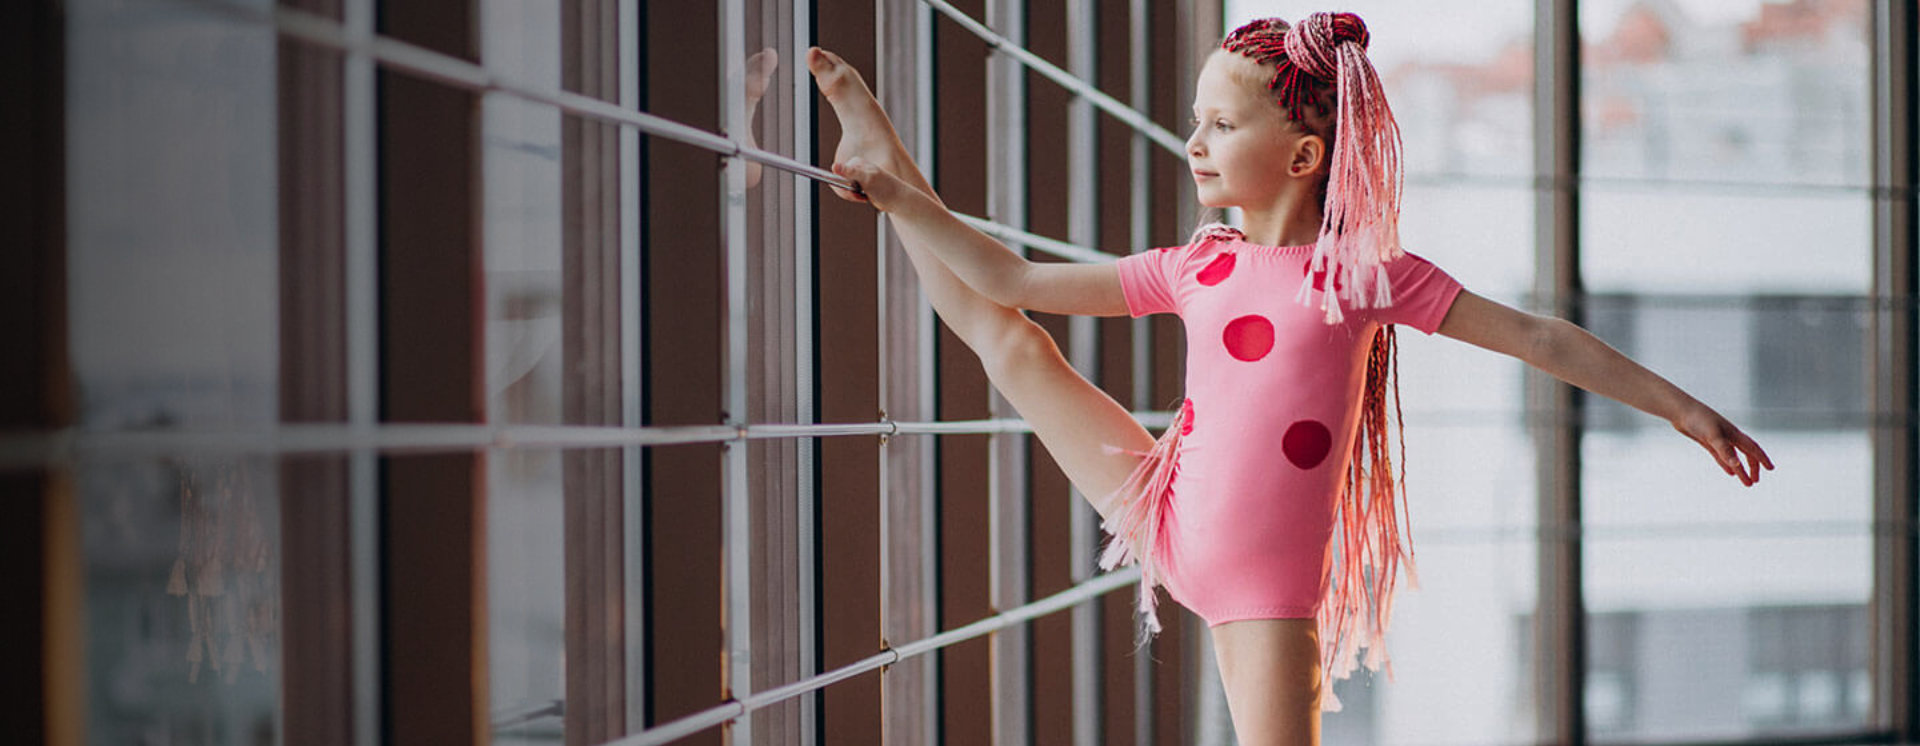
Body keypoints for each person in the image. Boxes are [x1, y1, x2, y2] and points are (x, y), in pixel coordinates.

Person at [806, 12, 1773, 743]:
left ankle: (886, 168)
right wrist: (896, 196)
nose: (1194, 143)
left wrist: (1684, 406)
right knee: (1011, 343)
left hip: (1266, 586)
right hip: (1163, 505)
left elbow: (1542, 340)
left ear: (1304, 156)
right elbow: (1008, 281)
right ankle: (876, 143)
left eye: (1219, 125)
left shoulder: (1364, 279)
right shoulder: (1196, 265)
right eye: (1198, 121)